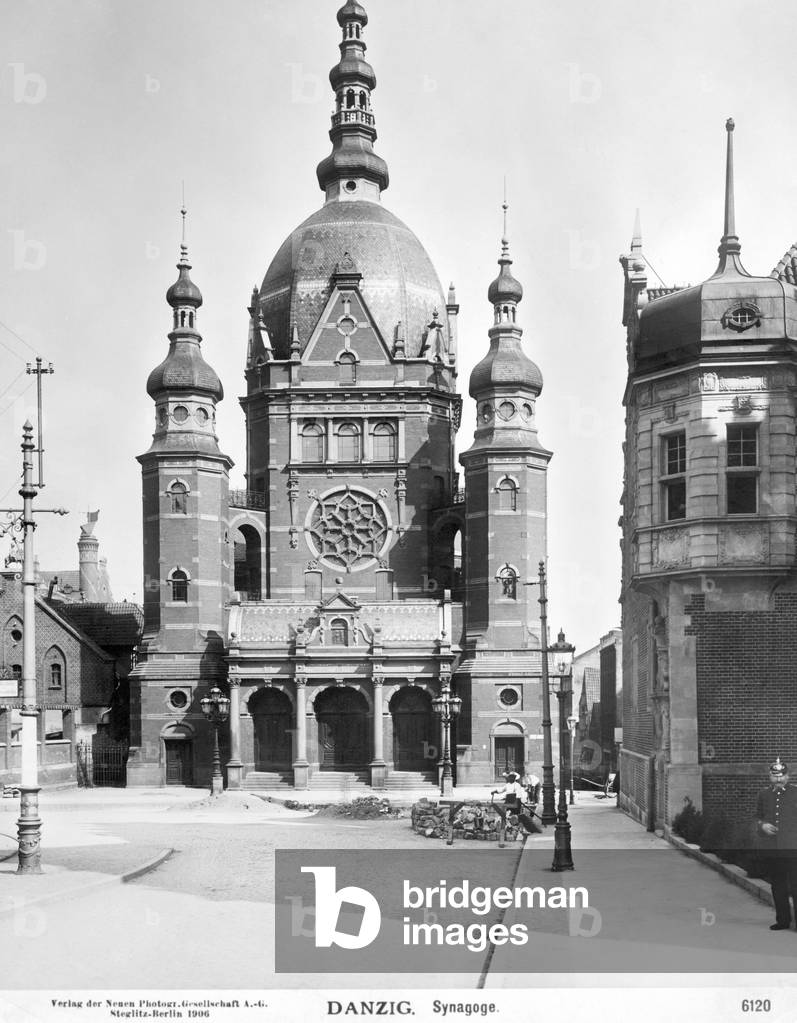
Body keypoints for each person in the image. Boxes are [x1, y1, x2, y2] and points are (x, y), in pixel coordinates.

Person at [755, 757, 797, 930]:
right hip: (773, 848)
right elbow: (757, 817)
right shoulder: (764, 795)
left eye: (782, 776)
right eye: (775, 776)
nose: (778, 779)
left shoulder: (796, 793)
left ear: (788, 776)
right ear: (770, 777)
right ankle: (783, 920)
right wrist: (762, 825)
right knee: (778, 885)